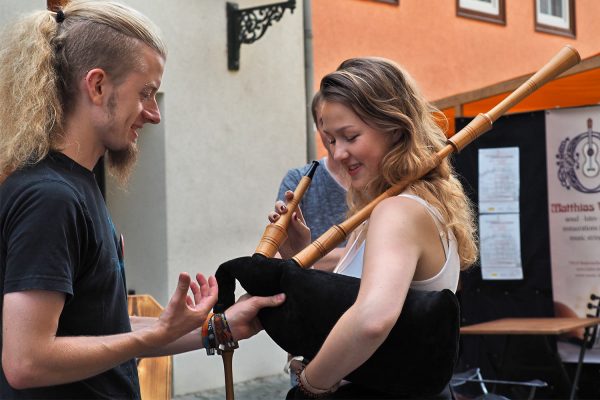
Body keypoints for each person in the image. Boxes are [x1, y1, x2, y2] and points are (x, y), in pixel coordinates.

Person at [0, 2, 284, 399]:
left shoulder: (74, 187)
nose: (154, 114)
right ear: (97, 86)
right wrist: (158, 336)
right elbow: (27, 361)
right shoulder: (51, 198)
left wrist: (218, 327)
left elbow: (101, 332)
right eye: (145, 93)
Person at [271, 57, 478, 398]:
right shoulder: (398, 206)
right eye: (331, 140)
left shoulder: (397, 211)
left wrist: (311, 386)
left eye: (350, 136)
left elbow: (371, 320)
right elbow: (336, 308)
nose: (338, 154)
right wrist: (298, 254)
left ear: (394, 127)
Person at [277, 92, 350, 271]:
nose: (339, 148)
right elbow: (280, 256)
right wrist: (359, 253)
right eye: (325, 123)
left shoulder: (382, 181)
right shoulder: (298, 179)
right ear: (318, 127)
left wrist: (307, 255)